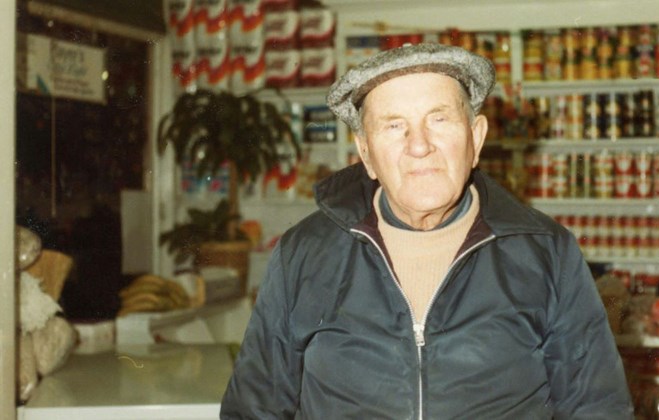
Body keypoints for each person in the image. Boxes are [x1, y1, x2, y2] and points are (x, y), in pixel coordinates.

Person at [221, 42, 634, 419]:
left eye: (438, 119)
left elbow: (598, 409)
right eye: (393, 126)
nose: (419, 145)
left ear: (475, 138)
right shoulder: (303, 253)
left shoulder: (547, 252)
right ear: (366, 154)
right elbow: (253, 411)